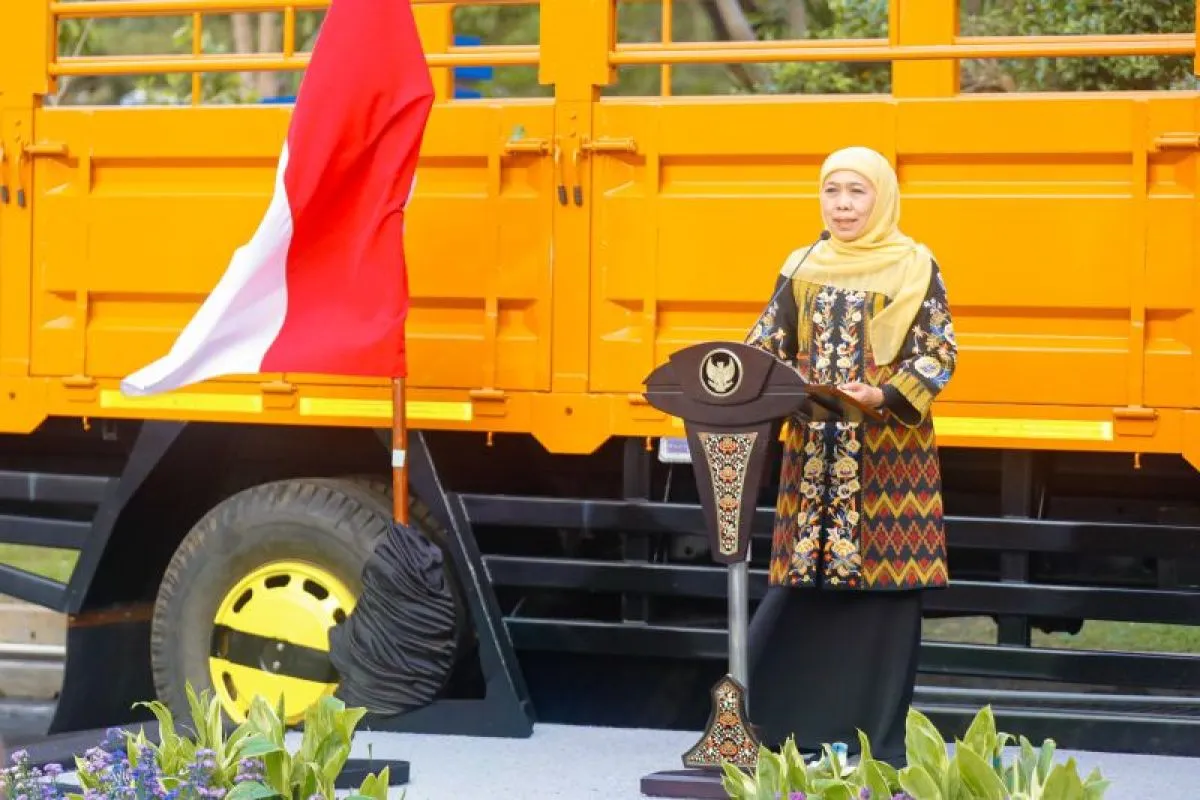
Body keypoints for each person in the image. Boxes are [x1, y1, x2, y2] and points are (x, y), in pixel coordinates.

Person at [744, 145, 957, 767]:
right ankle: (780, 733)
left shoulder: (915, 264)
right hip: (814, 458)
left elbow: (939, 353)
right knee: (801, 591)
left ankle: (874, 745)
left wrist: (883, 395)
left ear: (881, 197)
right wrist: (759, 379)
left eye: (856, 192)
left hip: (890, 462)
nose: (841, 205)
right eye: (831, 191)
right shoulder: (801, 264)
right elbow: (765, 343)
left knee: (883, 594)